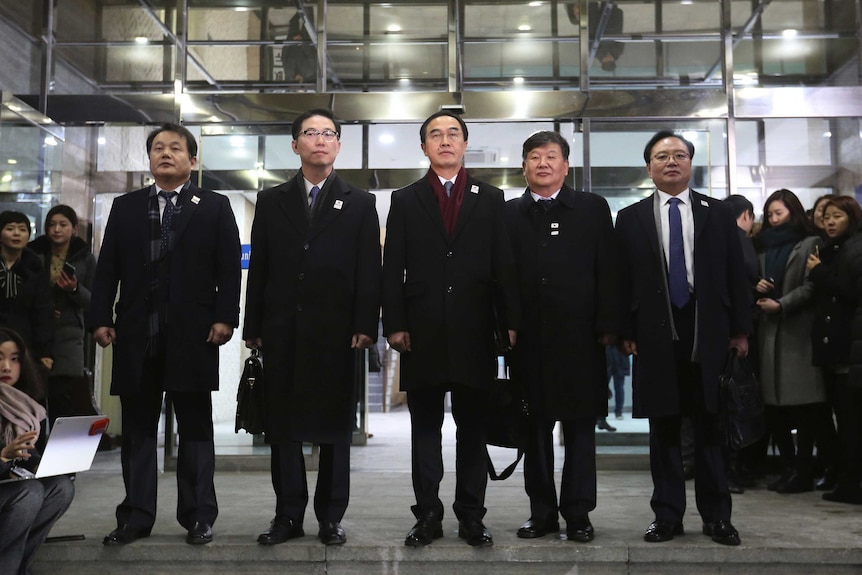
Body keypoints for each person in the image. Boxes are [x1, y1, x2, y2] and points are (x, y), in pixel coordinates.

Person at [88, 123, 242, 546]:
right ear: (149, 159)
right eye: (158, 148)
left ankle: (197, 516)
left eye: (175, 148)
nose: (165, 153)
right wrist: (100, 316)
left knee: (195, 429)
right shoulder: (126, 206)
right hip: (138, 332)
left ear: (193, 160)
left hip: (193, 335)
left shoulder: (213, 205)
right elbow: (108, 270)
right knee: (138, 429)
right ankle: (135, 517)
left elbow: (229, 268)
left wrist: (226, 317)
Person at [243, 108, 381, 547]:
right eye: (310, 133)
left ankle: (330, 517)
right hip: (282, 328)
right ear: (295, 144)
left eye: (328, 133)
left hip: (337, 333)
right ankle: (287, 516)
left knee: (335, 428)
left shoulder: (360, 202)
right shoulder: (271, 200)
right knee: (283, 428)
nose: (319, 140)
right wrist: (254, 325)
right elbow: (260, 267)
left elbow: (368, 271)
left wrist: (365, 324)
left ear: (338, 145)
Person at [382, 110, 519, 548]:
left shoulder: (490, 197)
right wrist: (396, 323)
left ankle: (472, 517)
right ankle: (427, 516)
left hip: (475, 330)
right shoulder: (405, 199)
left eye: (453, 134)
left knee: (473, 430)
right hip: (419, 333)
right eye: (435, 135)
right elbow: (392, 269)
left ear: (464, 144)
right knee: (424, 430)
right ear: (423, 147)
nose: (445, 141)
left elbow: (504, 266)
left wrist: (508, 324)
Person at [615, 130, 752, 546]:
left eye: (679, 155)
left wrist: (741, 330)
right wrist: (625, 332)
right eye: (662, 156)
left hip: (707, 332)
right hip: (656, 335)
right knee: (664, 430)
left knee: (711, 426)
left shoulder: (717, 213)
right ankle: (668, 516)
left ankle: (717, 518)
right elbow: (622, 281)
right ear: (649, 167)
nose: (671, 162)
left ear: (690, 164)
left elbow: (737, 276)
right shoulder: (632, 217)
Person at [503, 130, 620, 543]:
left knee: (580, 430)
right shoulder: (508, 214)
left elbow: (608, 269)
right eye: (534, 157)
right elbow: (502, 278)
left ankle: (578, 513)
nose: (543, 163)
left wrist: (608, 326)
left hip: (581, 339)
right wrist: (507, 326)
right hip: (528, 342)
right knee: (534, 431)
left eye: (552, 156)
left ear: (566, 165)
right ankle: (542, 513)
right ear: (524, 167)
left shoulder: (591, 208)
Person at [756, 189, 834, 494]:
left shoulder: (810, 242)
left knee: (804, 407)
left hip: (798, 333)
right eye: (771, 214)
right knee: (774, 408)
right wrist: (758, 287)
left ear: (793, 212)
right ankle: (789, 468)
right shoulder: (761, 246)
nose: (775, 220)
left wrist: (783, 303)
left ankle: (803, 471)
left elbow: (811, 286)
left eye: (780, 213)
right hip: (768, 331)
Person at [0, 327, 74, 575]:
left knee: (61, 488)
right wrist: (3, 456)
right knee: (28, 494)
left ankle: (16, 567)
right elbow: (8, 459)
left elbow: (30, 456)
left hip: (9, 487)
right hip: (10, 488)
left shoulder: (28, 407)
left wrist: (48, 464)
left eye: (14, 358)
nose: (6, 367)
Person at [806, 196, 862, 503]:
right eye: (826, 216)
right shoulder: (832, 250)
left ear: (851, 218)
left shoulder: (853, 249)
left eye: (837, 216)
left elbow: (850, 292)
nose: (829, 221)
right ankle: (843, 477)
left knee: (850, 419)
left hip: (848, 350)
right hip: (836, 348)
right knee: (841, 418)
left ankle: (850, 482)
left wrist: (819, 272)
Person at [28, 205, 97, 424]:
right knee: (34, 399)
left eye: (63, 224)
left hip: (68, 335)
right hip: (35, 334)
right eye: (51, 224)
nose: (56, 229)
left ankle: (60, 455)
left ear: (74, 229)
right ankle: (33, 455)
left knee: (64, 401)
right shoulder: (33, 254)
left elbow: (94, 301)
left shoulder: (84, 257)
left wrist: (75, 290)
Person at [0, 211, 53, 371]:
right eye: (10, 229)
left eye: (22, 229)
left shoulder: (35, 268)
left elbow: (43, 312)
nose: (17, 233)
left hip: (24, 344)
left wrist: (45, 351)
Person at [565, 1, 625, 71]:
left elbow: (588, 41)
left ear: (603, 61)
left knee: (591, 6)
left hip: (594, 26)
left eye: (606, 60)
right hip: (611, 23)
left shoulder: (595, 53)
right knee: (607, 4)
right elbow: (620, 36)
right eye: (610, 60)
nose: (608, 58)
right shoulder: (618, 51)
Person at [282, 10, 317, 84]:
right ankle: (308, 6)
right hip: (305, 41)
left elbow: (284, 56)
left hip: (292, 40)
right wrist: (301, 42)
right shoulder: (309, 72)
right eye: (299, 80)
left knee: (293, 21)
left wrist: (290, 41)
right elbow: (310, 56)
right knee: (308, 20)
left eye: (296, 80)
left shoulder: (288, 72)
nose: (298, 79)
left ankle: (302, 8)